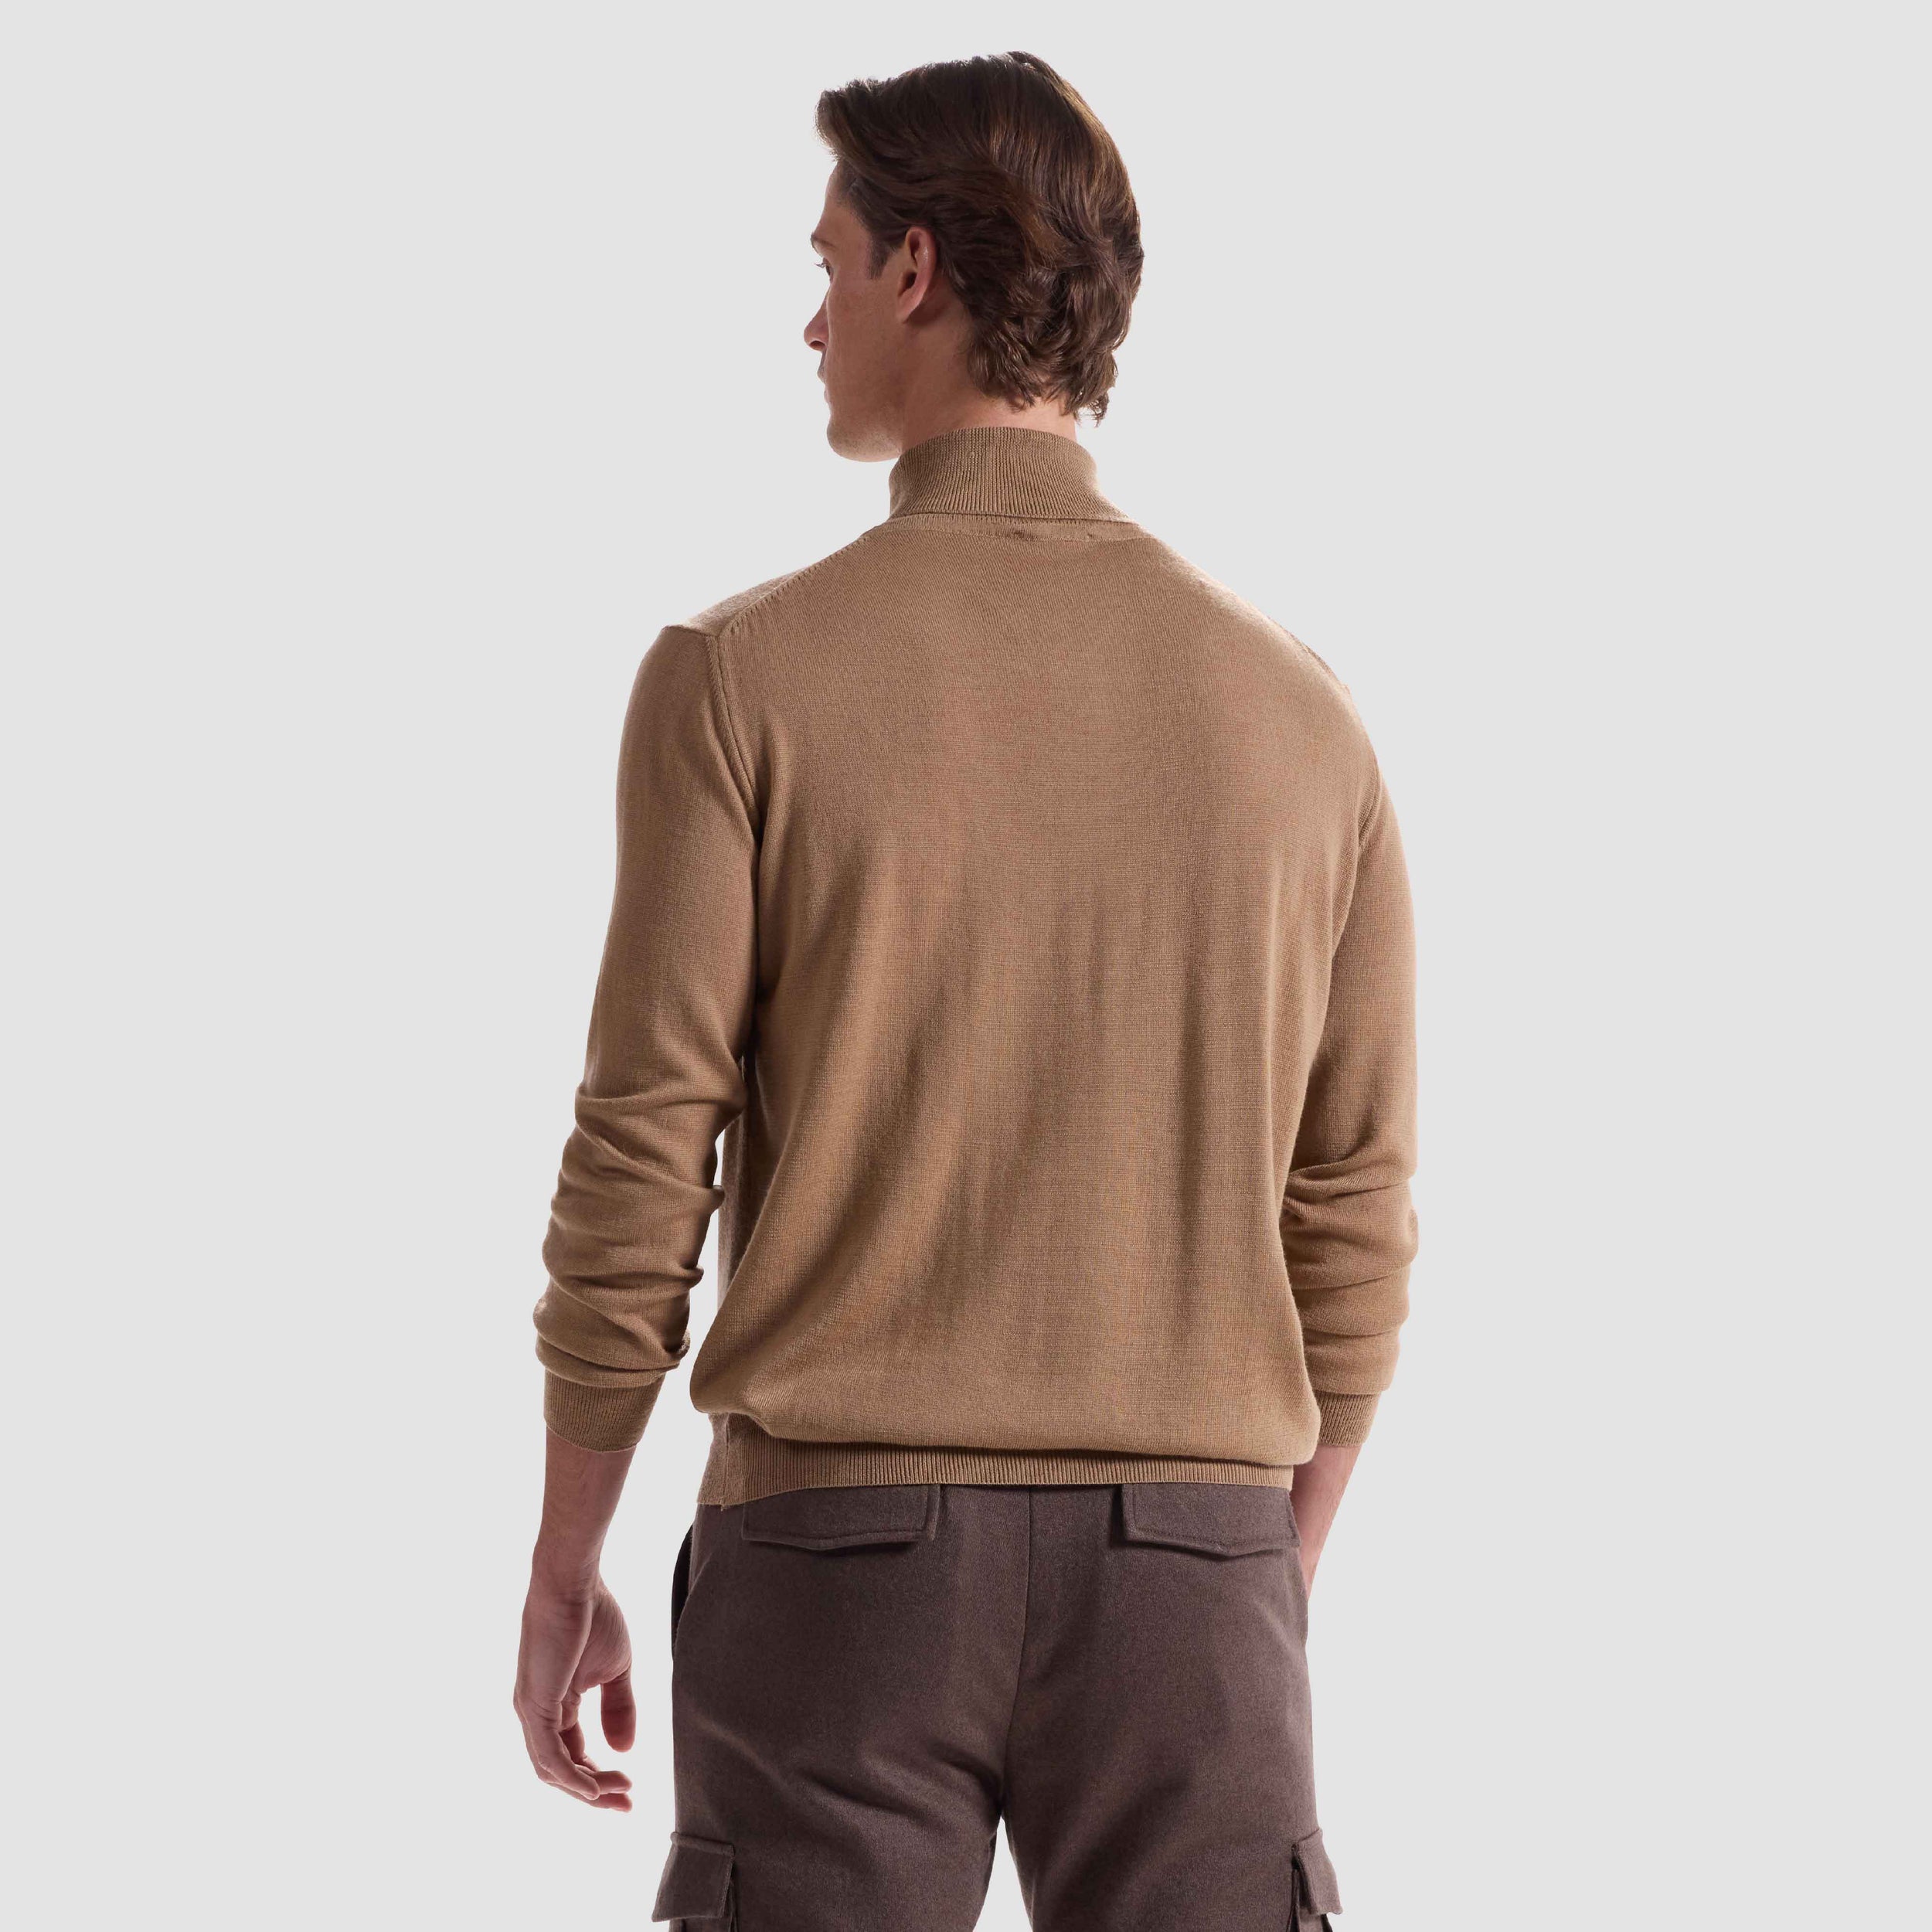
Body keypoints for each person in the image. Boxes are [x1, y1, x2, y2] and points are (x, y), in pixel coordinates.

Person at [514, 50, 1417, 1932]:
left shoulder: (737, 676)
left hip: (832, 1566)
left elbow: (643, 1146)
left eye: (828, 264)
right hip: (1193, 1568)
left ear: (914, 271)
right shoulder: (1300, 716)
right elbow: (1349, 1200)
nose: (812, 318)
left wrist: (564, 1553)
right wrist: (1258, 1568)